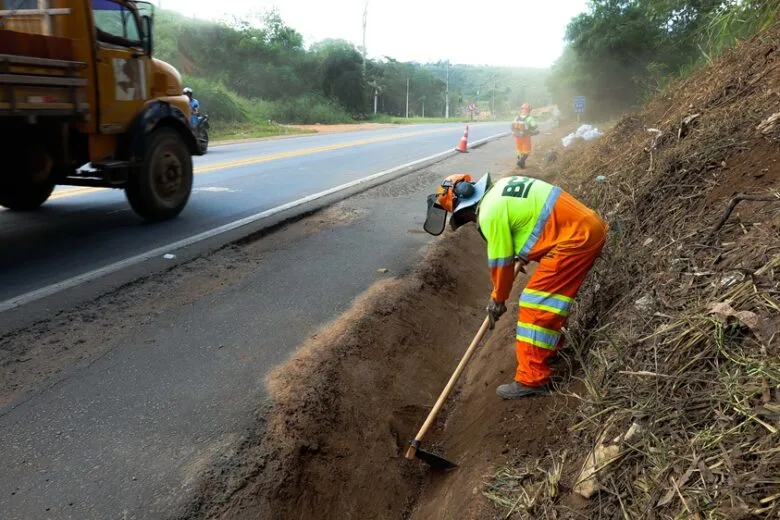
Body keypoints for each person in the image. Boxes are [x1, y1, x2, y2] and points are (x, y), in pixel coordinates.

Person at [424, 173, 608, 399]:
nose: (470, 220)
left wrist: (498, 299)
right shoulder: (501, 188)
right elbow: (531, 222)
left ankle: (532, 379)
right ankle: (547, 352)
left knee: (535, 305)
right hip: (585, 228)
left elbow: (500, 263)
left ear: (465, 208)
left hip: (575, 241)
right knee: (547, 303)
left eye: (465, 216)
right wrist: (522, 252)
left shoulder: (489, 214)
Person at [511, 103, 539, 169]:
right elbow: (534, 126)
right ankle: (520, 161)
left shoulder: (516, 117)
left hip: (518, 137)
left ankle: (521, 164)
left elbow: (513, 125)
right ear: (529, 110)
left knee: (519, 150)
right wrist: (532, 130)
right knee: (527, 151)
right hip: (526, 137)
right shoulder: (530, 118)